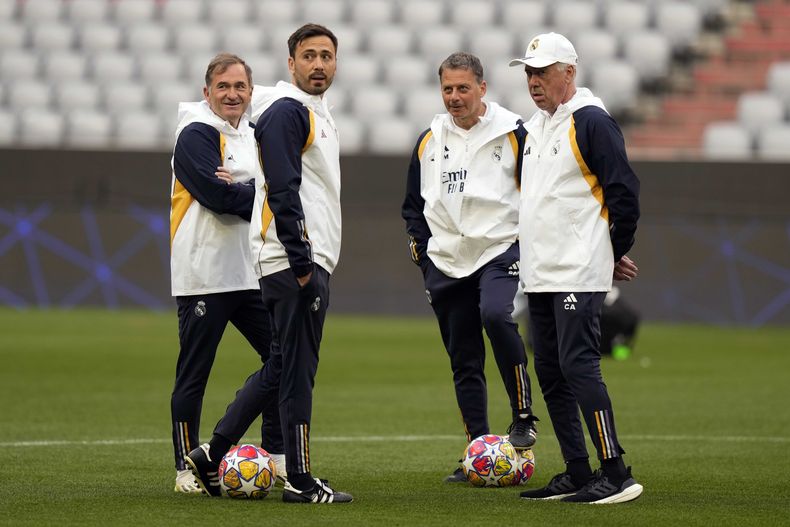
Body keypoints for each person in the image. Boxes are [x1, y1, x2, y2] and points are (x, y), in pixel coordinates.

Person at [186, 24, 352, 504]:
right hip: (293, 259)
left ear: (336, 64)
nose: (318, 64)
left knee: (280, 364)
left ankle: (210, 454)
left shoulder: (313, 112)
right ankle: (299, 480)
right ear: (291, 64)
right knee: (298, 370)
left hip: (297, 257)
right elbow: (283, 189)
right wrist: (301, 261)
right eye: (308, 56)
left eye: (326, 56)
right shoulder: (287, 111)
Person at [509, 32, 643, 504]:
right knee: (549, 370)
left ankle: (616, 471)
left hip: (577, 272)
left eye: (542, 71)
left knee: (578, 366)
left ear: (570, 71)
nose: (533, 80)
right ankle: (578, 470)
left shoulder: (591, 122)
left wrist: (608, 253)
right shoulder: (537, 127)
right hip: (540, 273)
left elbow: (624, 193)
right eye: (528, 72)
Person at [402, 52, 539, 483]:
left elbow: (535, 195)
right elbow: (412, 206)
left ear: (483, 88)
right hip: (445, 260)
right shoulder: (428, 139)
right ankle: (478, 451)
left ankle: (523, 416)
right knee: (464, 360)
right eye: (448, 89)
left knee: (496, 315)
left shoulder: (515, 132)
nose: (455, 97)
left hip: (499, 249)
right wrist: (423, 253)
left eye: (464, 88)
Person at [169, 53, 283, 494]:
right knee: (194, 373)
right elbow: (217, 197)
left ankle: (276, 456)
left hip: (252, 271)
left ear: (251, 93)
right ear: (207, 92)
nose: (232, 94)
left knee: (281, 359)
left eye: (240, 87)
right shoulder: (194, 134)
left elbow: (275, 188)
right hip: (205, 272)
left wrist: (244, 187)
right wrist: (248, 191)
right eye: (223, 86)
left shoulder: (253, 135)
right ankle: (185, 467)